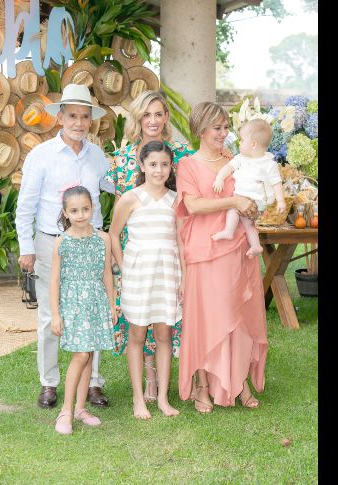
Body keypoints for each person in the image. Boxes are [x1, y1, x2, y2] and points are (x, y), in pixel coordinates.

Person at [16, 84, 114, 409]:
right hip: (50, 243)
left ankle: (94, 383)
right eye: (72, 115)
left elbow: (116, 187)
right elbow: (25, 206)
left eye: (85, 116)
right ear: (60, 117)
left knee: (94, 310)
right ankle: (49, 382)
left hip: (90, 244)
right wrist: (26, 247)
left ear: (91, 121)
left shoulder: (97, 156)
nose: (79, 122)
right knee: (49, 314)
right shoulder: (40, 156)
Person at [175, 101, 268, 413]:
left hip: (238, 247)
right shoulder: (187, 165)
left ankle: (239, 382)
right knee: (205, 317)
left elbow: (250, 196)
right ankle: (203, 385)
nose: (224, 133)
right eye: (218, 128)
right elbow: (194, 206)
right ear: (201, 130)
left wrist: (252, 204)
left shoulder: (236, 160)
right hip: (204, 249)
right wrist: (234, 200)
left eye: (226, 127)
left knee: (239, 314)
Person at [105, 90, 194, 402]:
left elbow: (186, 203)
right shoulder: (123, 158)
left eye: (159, 114)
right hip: (136, 251)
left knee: (165, 316)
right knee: (138, 319)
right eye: (147, 114)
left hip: (168, 242)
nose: (153, 120)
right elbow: (119, 211)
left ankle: (170, 379)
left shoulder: (182, 154)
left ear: (166, 117)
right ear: (137, 118)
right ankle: (148, 379)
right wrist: (121, 264)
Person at [108, 141, 184, 419]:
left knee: (164, 333)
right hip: (138, 273)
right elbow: (114, 234)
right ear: (142, 166)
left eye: (164, 164)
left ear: (170, 167)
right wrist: (123, 266)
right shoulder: (130, 198)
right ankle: (138, 398)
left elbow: (180, 240)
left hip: (167, 272)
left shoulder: (176, 200)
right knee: (137, 335)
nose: (159, 170)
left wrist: (184, 278)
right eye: (153, 164)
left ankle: (163, 397)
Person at [50, 185, 117, 435]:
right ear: (66, 213)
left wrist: (111, 304)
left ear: (93, 209)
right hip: (73, 304)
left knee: (89, 354)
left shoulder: (103, 239)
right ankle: (65, 410)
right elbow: (55, 281)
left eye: (85, 209)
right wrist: (56, 314)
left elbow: (107, 274)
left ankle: (80, 408)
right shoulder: (61, 243)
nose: (80, 215)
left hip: (96, 302)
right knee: (80, 355)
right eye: (74, 211)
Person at [211, 118, 285, 257]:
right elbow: (228, 168)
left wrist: (281, 201)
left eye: (242, 140)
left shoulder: (269, 164)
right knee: (247, 223)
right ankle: (256, 246)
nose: (240, 144)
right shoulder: (241, 158)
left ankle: (229, 230)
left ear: (253, 144)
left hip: (257, 201)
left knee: (235, 210)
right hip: (242, 199)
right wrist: (220, 178)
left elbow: (276, 183)